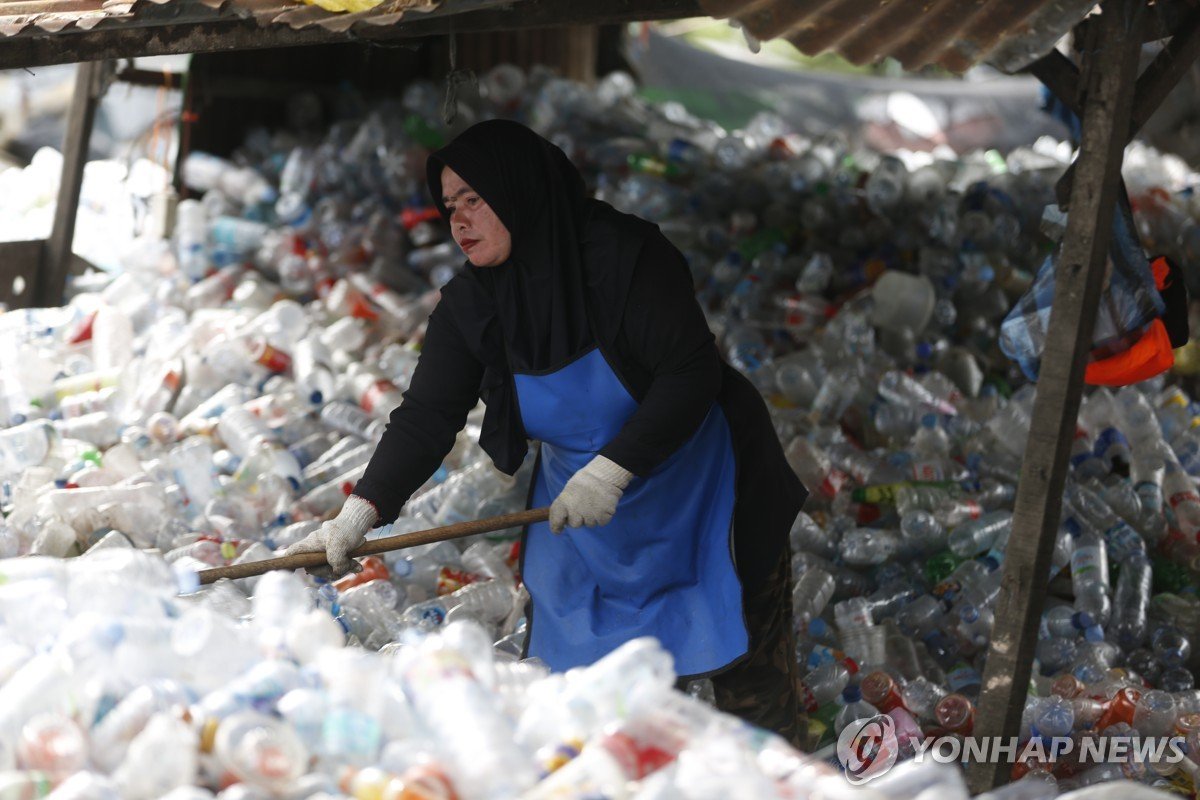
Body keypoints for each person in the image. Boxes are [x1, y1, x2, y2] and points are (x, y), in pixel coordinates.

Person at [287, 119, 809, 745]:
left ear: (520, 190)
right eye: (449, 206)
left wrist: (612, 470)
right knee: (599, 711)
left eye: (474, 199)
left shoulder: (623, 260)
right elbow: (426, 416)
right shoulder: (473, 305)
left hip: (706, 491)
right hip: (591, 521)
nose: (458, 221)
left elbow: (690, 373)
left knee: (752, 701)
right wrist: (359, 514)